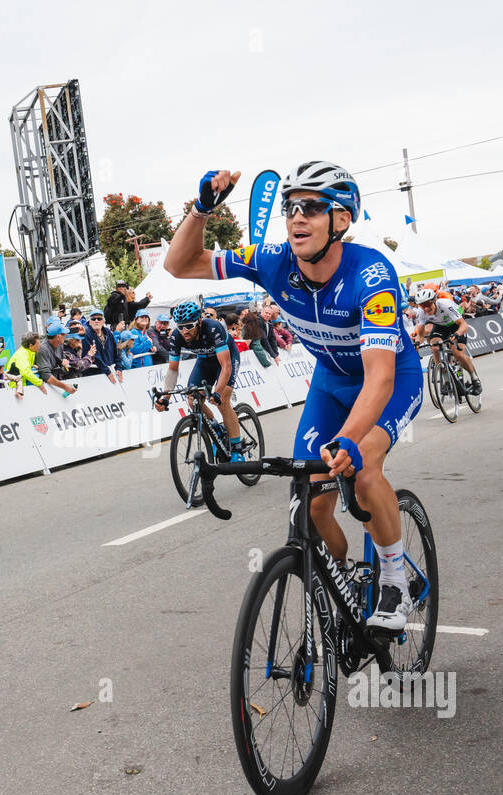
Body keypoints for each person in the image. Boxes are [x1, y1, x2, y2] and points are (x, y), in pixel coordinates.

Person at [166, 162, 424, 631]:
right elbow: (180, 265)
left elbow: (380, 377)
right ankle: (344, 581)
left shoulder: (371, 273)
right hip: (329, 382)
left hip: (388, 382)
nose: (297, 217)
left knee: (362, 469)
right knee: (312, 499)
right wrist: (202, 209)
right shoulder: (273, 261)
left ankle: (393, 579)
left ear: (341, 219)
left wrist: (347, 441)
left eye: (312, 207)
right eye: (291, 207)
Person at [152, 301, 247, 460]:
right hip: (204, 362)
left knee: (222, 400)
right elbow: (173, 369)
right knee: (192, 399)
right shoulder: (176, 336)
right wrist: (166, 398)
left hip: (226, 359)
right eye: (180, 326)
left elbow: (226, 366)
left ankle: (237, 448)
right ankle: (216, 429)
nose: (184, 331)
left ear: (199, 322)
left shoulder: (212, 328)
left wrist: (216, 392)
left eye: (189, 326)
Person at [411, 288, 482, 392]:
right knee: (434, 347)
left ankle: (474, 378)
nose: (426, 308)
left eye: (427, 304)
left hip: (456, 325)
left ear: (434, 300)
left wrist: (457, 334)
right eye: (422, 305)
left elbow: (463, 325)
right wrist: (417, 344)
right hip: (440, 326)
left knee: (458, 354)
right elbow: (421, 335)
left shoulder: (445, 305)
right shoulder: (421, 312)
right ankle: (446, 381)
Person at [35, 323, 80, 394]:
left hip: (55, 384)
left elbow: (59, 358)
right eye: (64, 334)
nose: (66, 335)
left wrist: (63, 360)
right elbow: (46, 376)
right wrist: (65, 387)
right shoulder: (43, 349)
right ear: (58, 336)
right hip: (45, 389)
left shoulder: (59, 343)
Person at [81, 308, 125, 383]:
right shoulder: (86, 334)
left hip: (110, 371)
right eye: (93, 319)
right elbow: (95, 357)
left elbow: (116, 351)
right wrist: (108, 372)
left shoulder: (108, 332)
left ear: (103, 321)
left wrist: (119, 367)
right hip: (94, 375)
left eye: (99, 318)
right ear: (90, 322)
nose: (96, 321)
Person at [6, 332, 51, 397]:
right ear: (30, 345)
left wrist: (33, 365)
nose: (40, 345)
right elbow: (25, 371)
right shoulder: (22, 354)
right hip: (15, 388)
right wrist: (39, 383)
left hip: (23, 384)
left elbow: (24, 365)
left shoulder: (30, 351)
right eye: (38, 344)